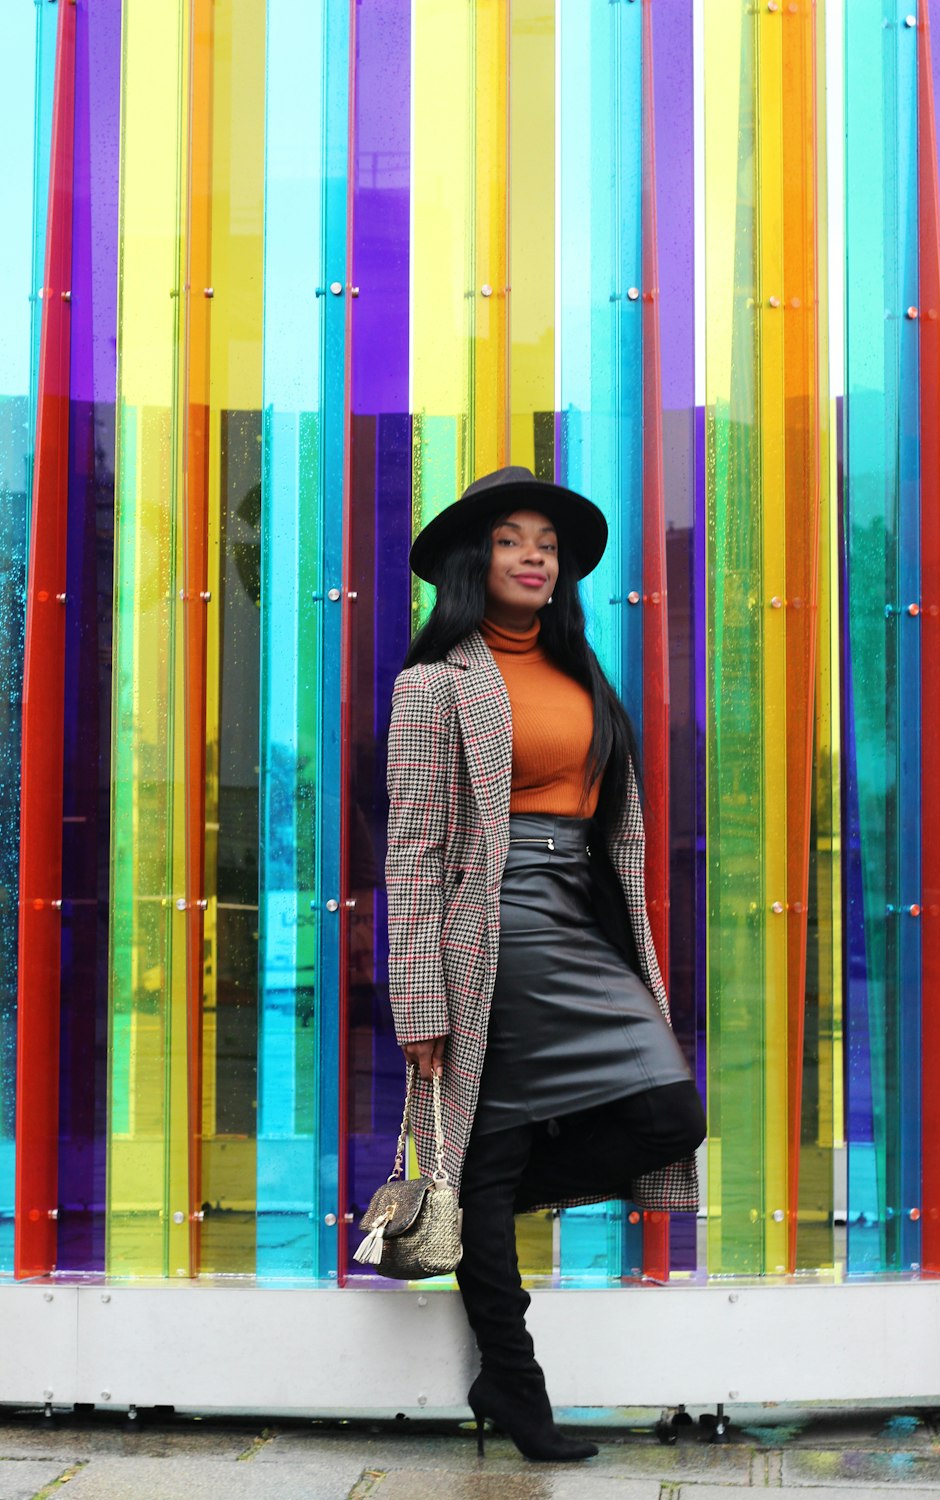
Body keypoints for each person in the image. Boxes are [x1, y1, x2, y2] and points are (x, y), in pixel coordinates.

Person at [384, 465, 706, 1463]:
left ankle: (470, 1207)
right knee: (512, 1145)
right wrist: (421, 997)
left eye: (548, 545)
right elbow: (414, 847)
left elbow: (611, 826)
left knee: (663, 1114)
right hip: (493, 930)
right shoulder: (434, 684)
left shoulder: (579, 675)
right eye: (512, 538)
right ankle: (515, 1387)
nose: (535, 556)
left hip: (574, 916)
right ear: (471, 561)